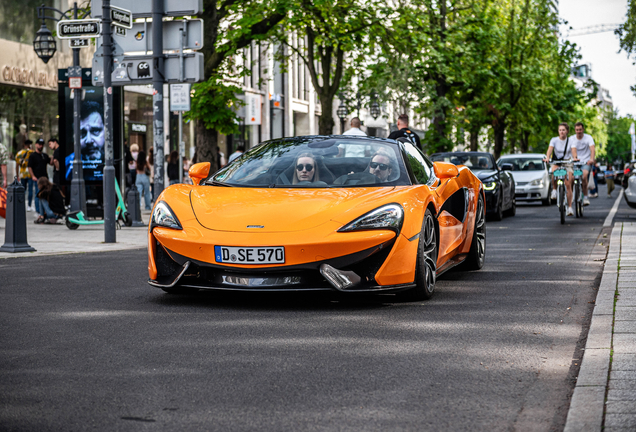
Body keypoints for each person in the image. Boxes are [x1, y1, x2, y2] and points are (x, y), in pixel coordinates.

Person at [65, 101, 105, 180]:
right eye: (82, 133)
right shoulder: (67, 166)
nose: (89, 140)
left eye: (95, 131)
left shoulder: (116, 163)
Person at [544, 122, 577, 216]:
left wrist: (575, 157)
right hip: (556, 162)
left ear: (567, 131)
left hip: (567, 163)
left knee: (568, 184)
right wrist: (547, 157)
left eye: (563, 130)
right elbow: (550, 149)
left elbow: (573, 150)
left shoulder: (571, 141)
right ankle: (554, 190)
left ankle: (569, 207)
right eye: (560, 130)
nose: (561, 132)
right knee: (554, 172)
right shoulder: (554, 140)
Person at [570, 122, 595, 206]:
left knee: (584, 176)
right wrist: (575, 158)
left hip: (586, 161)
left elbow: (592, 149)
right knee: (572, 178)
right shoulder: (572, 138)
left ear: (583, 129)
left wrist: (591, 159)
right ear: (575, 130)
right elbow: (573, 149)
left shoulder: (588, 138)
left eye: (580, 129)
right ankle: (573, 194)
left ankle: (585, 198)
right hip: (575, 161)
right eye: (577, 130)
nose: (579, 131)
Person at [28, 139, 51, 217]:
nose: (41, 146)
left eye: (42, 144)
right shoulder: (33, 156)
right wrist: (33, 176)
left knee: (45, 194)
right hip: (37, 178)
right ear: (36, 145)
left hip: (45, 178)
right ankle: (38, 211)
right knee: (38, 194)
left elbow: (50, 163)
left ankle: (44, 211)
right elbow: (29, 167)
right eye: (39, 144)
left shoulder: (44, 155)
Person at [15, 140, 35, 211]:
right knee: (30, 190)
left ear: (24, 144)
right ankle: (29, 206)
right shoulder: (32, 152)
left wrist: (17, 175)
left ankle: (21, 204)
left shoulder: (19, 153)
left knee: (23, 190)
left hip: (22, 174)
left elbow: (17, 165)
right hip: (30, 173)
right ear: (30, 144)